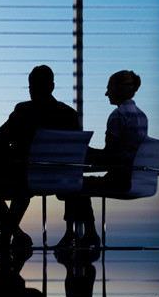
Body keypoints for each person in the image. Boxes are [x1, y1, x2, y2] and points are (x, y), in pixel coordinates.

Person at [0, 65, 81, 250]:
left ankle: (14, 234)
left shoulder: (24, 111)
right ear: (52, 86)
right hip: (61, 180)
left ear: (31, 88)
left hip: (24, 178)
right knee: (22, 185)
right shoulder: (70, 115)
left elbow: (0, 139)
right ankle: (9, 236)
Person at [59, 70, 148, 248]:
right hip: (135, 178)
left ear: (119, 89)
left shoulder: (118, 115)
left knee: (73, 185)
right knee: (77, 185)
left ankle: (80, 234)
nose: (106, 93)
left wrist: (83, 151)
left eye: (109, 88)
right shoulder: (141, 115)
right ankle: (82, 234)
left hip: (119, 179)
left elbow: (109, 156)